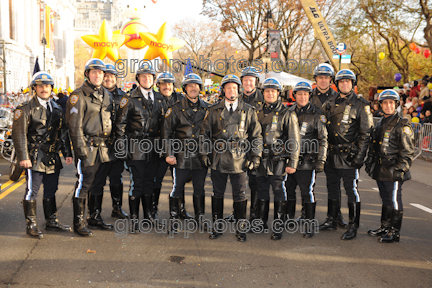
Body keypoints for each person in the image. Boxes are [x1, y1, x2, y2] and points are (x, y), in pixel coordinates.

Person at [200, 74, 262, 242]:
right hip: (218, 158)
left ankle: (241, 229)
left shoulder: (248, 110)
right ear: (223, 90)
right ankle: (217, 226)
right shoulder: (213, 110)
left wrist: (255, 157)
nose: (231, 91)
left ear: (238, 90)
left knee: (240, 195)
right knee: (217, 193)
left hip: (240, 159)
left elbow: (256, 136)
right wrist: (204, 153)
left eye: (234, 88)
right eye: (228, 88)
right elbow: (204, 135)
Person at [13, 72, 73, 239]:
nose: (44, 89)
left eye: (47, 86)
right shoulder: (25, 109)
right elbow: (19, 135)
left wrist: (67, 153)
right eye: (41, 86)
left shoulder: (56, 108)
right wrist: (23, 157)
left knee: (51, 189)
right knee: (32, 190)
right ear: (35, 88)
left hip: (52, 155)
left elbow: (62, 133)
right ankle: (31, 224)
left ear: (51, 88)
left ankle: (51, 220)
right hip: (34, 155)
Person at [321, 69, 373, 240]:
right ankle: (332, 218)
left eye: (348, 81)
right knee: (332, 189)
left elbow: (366, 133)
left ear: (353, 84)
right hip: (331, 154)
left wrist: (359, 157)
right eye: (341, 81)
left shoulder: (360, 104)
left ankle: (353, 225)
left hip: (349, 155)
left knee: (351, 191)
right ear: (336, 84)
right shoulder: (329, 102)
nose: (344, 84)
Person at [114, 63, 167, 232]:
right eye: (143, 76)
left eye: (150, 76)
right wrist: (122, 148)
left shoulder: (160, 98)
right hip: (135, 146)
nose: (147, 79)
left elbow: (165, 125)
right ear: (138, 78)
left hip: (154, 147)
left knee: (149, 183)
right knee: (137, 184)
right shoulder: (129, 98)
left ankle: (149, 216)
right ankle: (135, 219)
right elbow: (120, 125)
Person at [66, 58, 115, 237]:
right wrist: (81, 151)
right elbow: (74, 126)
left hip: (103, 148)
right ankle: (78, 222)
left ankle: (94, 217)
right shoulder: (78, 96)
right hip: (87, 146)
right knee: (84, 185)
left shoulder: (106, 94)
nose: (97, 75)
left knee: (98, 185)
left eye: (100, 73)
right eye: (94, 72)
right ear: (87, 74)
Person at [161, 73, 210, 233]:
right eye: (190, 86)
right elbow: (167, 133)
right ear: (185, 89)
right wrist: (169, 154)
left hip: (201, 156)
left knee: (200, 188)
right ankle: (174, 219)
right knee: (177, 187)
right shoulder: (175, 108)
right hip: (181, 155)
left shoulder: (207, 108)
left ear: (200, 89)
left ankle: (200, 217)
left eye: (196, 86)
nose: (193, 88)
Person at [365, 90, 414, 243]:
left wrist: (400, 169)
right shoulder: (380, 123)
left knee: (394, 200)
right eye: (385, 103)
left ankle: (394, 231)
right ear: (380, 105)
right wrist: (370, 163)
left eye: (391, 103)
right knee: (385, 199)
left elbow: (407, 151)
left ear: (396, 105)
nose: (388, 106)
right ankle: (385, 227)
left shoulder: (402, 124)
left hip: (394, 169)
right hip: (381, 169)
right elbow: (374, 147)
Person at [255, 78, 300, 240]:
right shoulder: (257, 111)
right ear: (263, 93)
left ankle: (278, 226)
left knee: (278, 191)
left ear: (278, 94)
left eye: (273, 91)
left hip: (278, 160)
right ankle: (261, 221)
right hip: (261, 159)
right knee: (261, 190)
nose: (270, 94)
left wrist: (292, 162)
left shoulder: (287, 113)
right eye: (267, 91)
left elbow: (294, 140)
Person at [286, 81, 328, 238]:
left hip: (307, 161)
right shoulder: (288, 112)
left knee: (306, 192)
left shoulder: (317, 115)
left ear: (309, 96)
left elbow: (323, 139)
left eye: (305, 94)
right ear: (294, 95)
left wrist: (321, 160)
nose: (302, 97)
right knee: (289, 190)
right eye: (299, 93)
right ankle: (288, 219)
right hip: (289, 160)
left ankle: (310, 224)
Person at [309, 63, 347, 227]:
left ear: (331, 80)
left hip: (332, 145)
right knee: (308, 183)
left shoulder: (339, 97)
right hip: (311, 145)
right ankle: (306, 213)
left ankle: (335, 216)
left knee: (334, 183)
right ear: (316, 79)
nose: (323, 80)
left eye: (326, 77)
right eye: (320, 77)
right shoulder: (307, 96)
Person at [89, 63, 128, 220]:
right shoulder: (93, 95)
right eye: (106, 76)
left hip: (117, 144)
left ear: (116, 78)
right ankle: (94, 213)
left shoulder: (124, 97)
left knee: (116, 178)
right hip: (100, 144)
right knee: (97, 179)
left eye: (112, 76)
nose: (109, 79)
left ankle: (117, 208)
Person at [153, 71, 192, 222]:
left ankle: (180, 210)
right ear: (158, 85)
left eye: (169, 83)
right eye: (163, 84)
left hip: (178, 147)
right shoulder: (154, 99)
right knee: (157, 180)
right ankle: (153, 210)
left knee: (179, 181)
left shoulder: (181, 99)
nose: (167, 86)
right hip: (159, 146)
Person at [229, 66, 264, 225]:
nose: (248, 83)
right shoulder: (236, 98)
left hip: (256, 146)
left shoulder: (264, 99)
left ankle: (254, 215)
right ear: (241, 82)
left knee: (256, 182)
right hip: (239, 148)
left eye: (251, 80)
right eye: (245, 80)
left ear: (256, 82)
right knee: (238, 182)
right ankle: (237, 212)